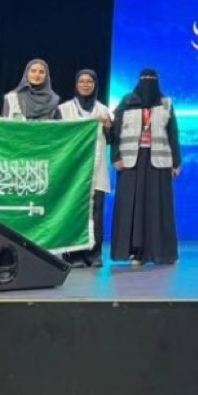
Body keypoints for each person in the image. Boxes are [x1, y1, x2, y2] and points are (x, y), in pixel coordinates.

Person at [110, 69, 181, 265]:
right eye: (144, 80)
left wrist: (176, 162)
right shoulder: (127, 101)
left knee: (157, 206)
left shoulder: (166, 103)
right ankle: (136, 251)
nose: (147, 84)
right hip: (130, 161)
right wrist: (115, 157)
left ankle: (161, 252)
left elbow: (173, 134)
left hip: (158, 161)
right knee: (132, 207)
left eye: (151, 80)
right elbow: (115, 132)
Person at [58, 69, 114, 267]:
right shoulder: (64, 109)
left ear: (95, 85)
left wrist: (108, 126)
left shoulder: (103, 110)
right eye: (81, 81)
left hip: (96, 170)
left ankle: (93, 254)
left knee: (96, 212)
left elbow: (111, 140)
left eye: (89, 81)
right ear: (76, 84)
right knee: (72, 211)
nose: (85, 85)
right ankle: (73, 255)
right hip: (72, 169)